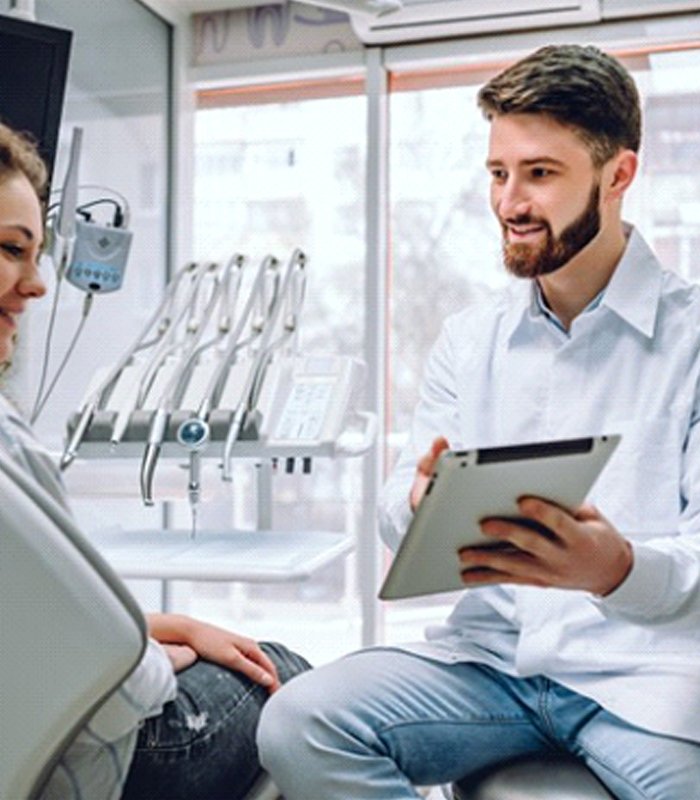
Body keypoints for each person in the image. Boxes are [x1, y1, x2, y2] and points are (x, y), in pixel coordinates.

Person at [256, 44, 700, 799]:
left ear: (618, 174)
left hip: (646, 677)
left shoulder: (690, 339)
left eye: (541, 174)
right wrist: (422, 507)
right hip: (494, 664)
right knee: (298, 724)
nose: (510, 203)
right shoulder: (471, 338)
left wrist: (613, 569)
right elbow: (398, 511)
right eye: (499, 173)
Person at [0, 120, 310, 800]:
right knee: (290, 678)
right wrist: (144, 659)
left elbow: (32, 619)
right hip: (76, 761)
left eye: (36, 256)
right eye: (8, 249)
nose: (36, 285)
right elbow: (120, 689)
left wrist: (168, 629)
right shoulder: (8, 448)